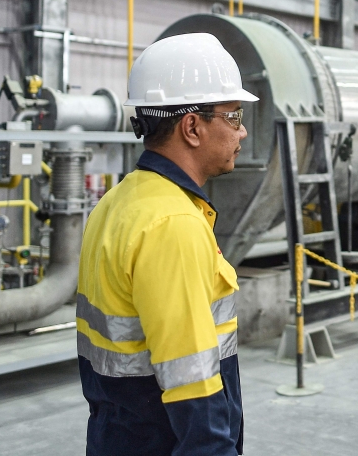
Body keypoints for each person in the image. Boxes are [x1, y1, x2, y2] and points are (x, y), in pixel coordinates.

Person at [76, 33, 258, 456]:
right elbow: (191, 383)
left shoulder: (119, 201)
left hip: (117, 434)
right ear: (192, 127)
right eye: (233, 116)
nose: (243, 130)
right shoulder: (172, 223)